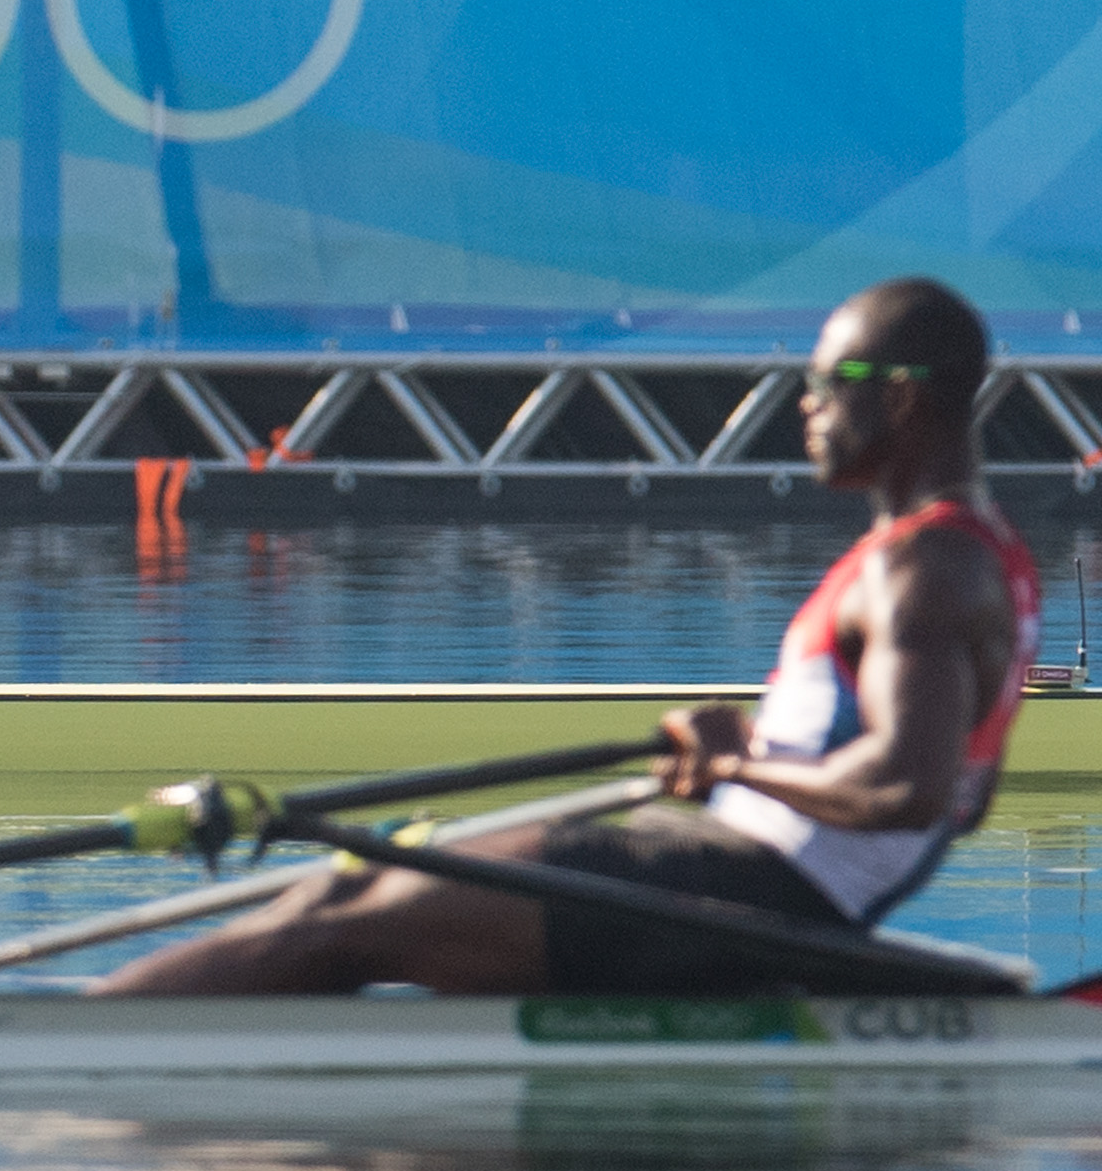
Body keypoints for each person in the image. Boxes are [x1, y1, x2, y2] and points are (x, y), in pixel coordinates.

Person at [97, 277, 1037, 995]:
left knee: (347, 923)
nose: (807, 404)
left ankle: (56, 1073)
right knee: (349, 886)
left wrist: (737, 767)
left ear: (906, 398)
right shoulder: (966, 559)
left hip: (754, 897)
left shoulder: (927, 568)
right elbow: (967, 795)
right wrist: (750, 760)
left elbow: (904, 790)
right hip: (735, 872)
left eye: (830, 382)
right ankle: (106, 1031)